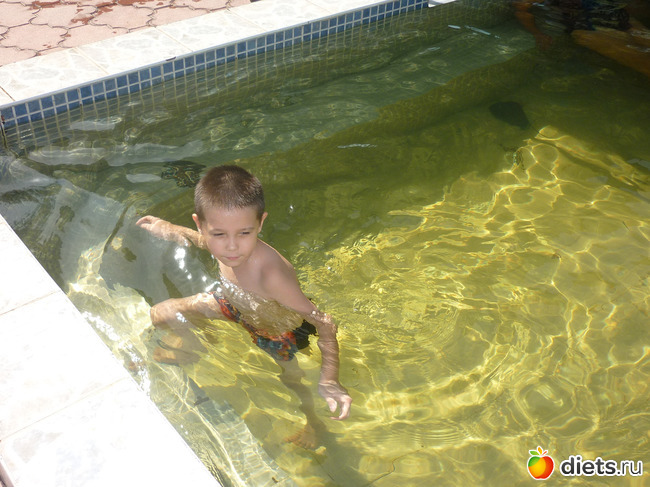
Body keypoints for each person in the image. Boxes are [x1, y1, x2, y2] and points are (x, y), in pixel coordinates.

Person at [136, 165, 352, 448]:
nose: (231, 247)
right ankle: (194, 345)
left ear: (260, 224)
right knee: (161, 313)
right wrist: (172, 229)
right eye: (219, 234)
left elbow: (325, 322)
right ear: (201, 225)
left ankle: (314, 424)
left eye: (244, 233)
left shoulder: (270, 275)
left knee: (293, 382)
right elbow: (204, 242)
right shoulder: (225, 244)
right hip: (233, 305)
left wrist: (330, 378)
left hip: (278, 332)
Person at [513, 0, 650, 78]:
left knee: (638, 36)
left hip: (597, 17)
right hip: (601, 16)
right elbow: (521, 10)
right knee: (638, 35)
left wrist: (537, 34)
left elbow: (521, 10)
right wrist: (538, 34)